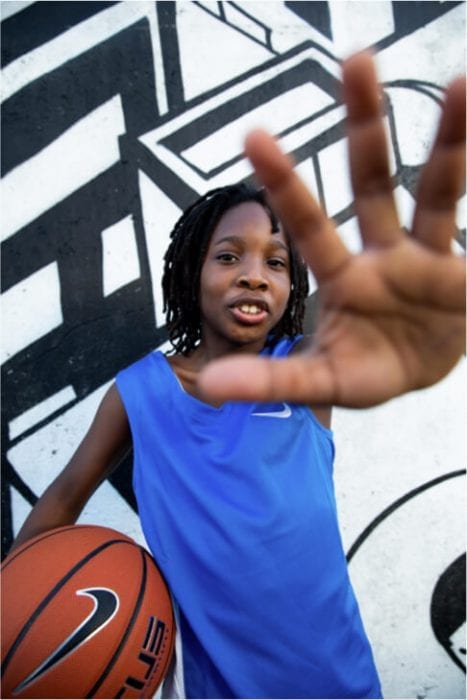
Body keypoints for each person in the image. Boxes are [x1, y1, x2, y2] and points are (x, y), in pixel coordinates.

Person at [11, 53, 465, 699]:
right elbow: (61, 501)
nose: (254, 274)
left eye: (276, 263)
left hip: (340, 686)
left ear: (292, 286)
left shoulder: (305, 370)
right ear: (190, 273)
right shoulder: (140, 393)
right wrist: (13, 607)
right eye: (228, 257)